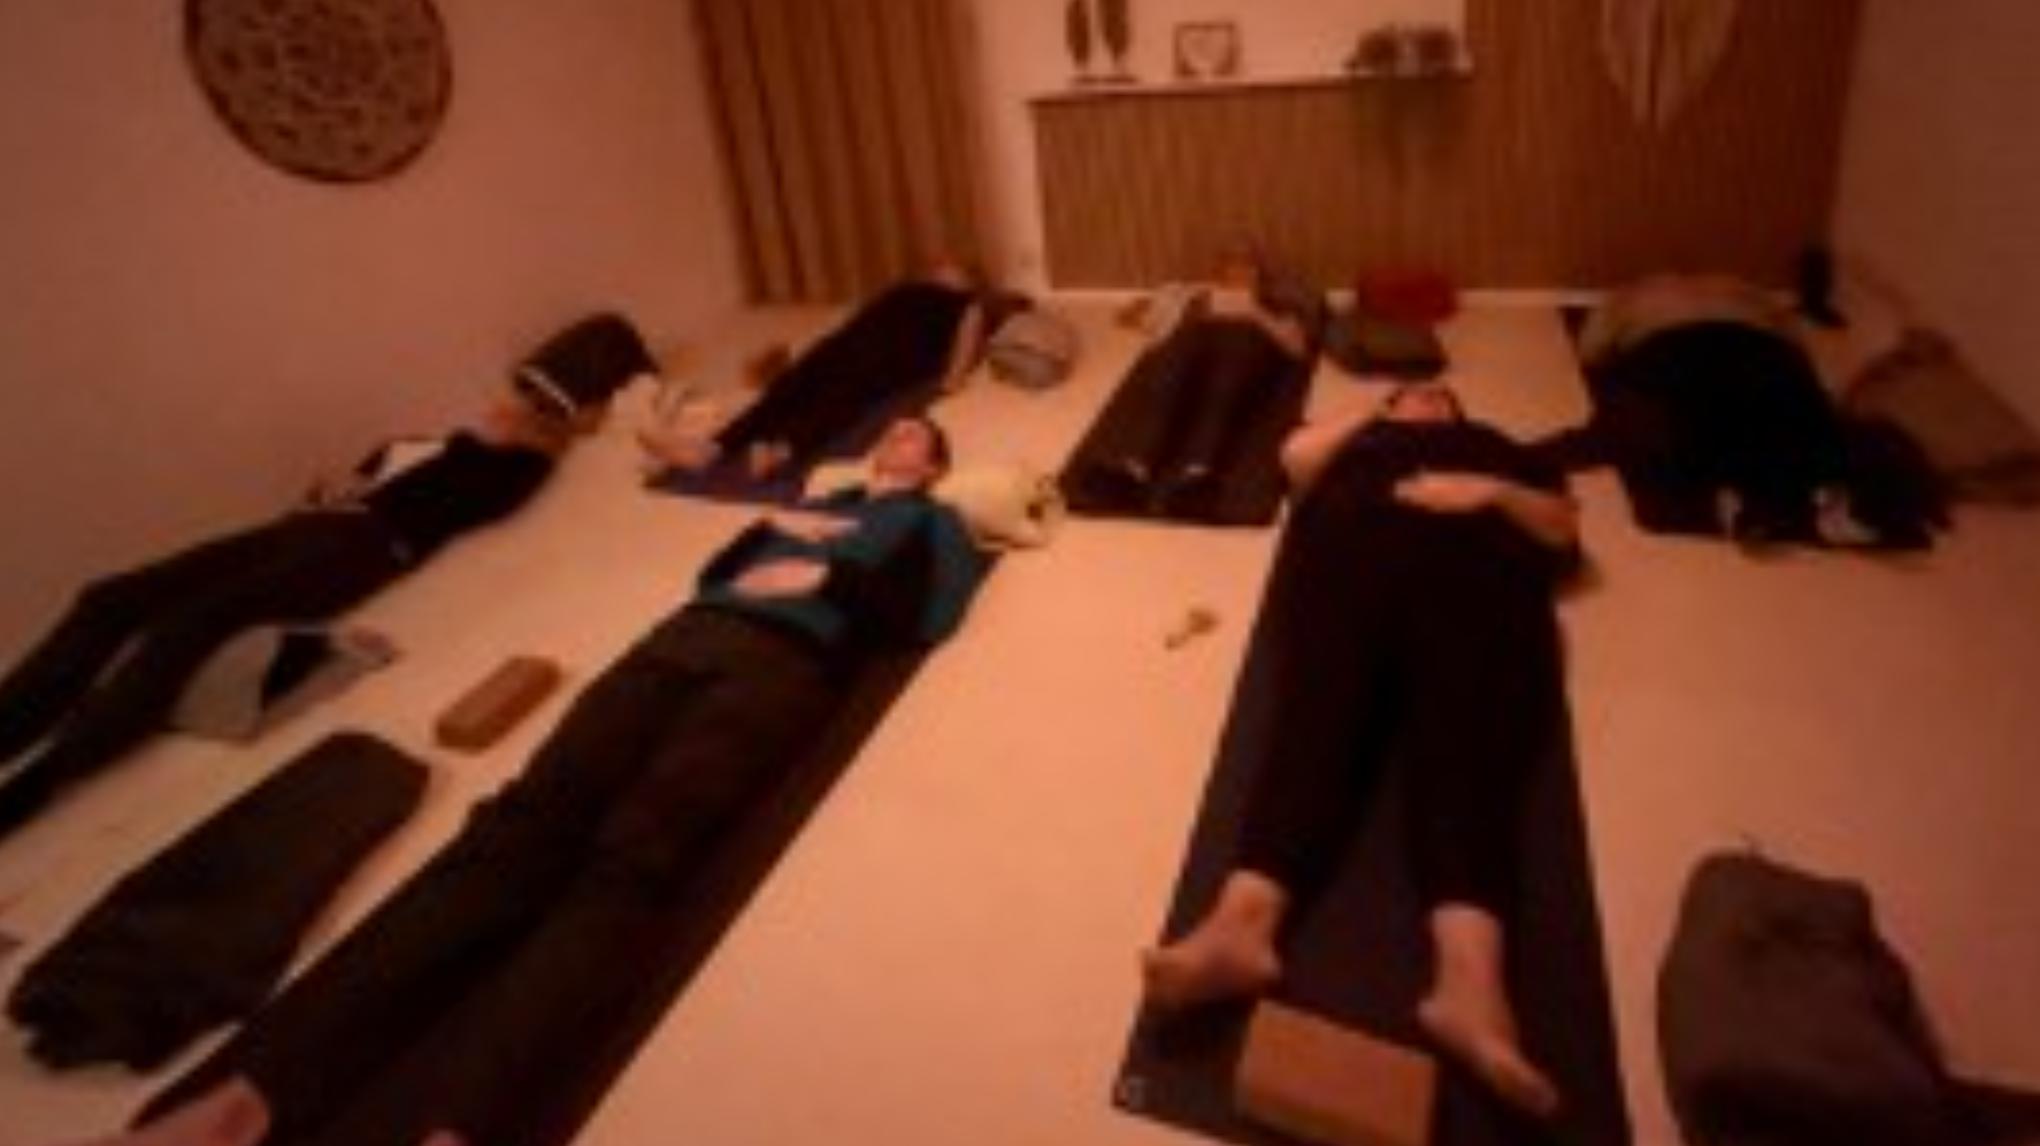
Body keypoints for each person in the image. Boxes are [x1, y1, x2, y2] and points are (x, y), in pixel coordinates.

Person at [97, 417, 982, 1146]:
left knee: (630, 863)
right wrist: (782, 536)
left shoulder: (934, 522)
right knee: (515, 829)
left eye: (915, 437)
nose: (896, 440)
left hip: (781, 666)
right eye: (893, 433)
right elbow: (713, 577)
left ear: (936, 465)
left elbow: (931, 616)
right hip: (680, 638)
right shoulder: (820, 501)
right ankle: (251, 1092)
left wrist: (832, 572)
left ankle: (459, 1121)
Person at [0, 330, 641, 844]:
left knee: (185, 629)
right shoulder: (439, 445)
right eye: (519, 391)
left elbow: (496, 486)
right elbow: (382, 473)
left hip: (362, 547)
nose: (511, 402)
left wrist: (522, 439)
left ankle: (34, 786)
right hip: (311, 526)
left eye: (534, 401)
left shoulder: (515, 464)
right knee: (108, 599)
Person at [1140, 382, 1579, 1120]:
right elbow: (1295, 460)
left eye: (1440, 396)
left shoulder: (1498, 448)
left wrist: (1491, 491)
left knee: (1467, 745)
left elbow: (1561, 527)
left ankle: (1470, 991)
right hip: (1354, 562)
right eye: (1410, 395)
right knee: (1315, 722)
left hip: (1477, 575)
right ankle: (1239, 929)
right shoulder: (1358, 444)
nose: (1426, 400)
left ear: (1463, 412)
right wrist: (1372, 412)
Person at [643, 257, 992, 480]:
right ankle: (711, 449)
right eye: (939, 266)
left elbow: (965, 344)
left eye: (952, 267)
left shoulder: (964, 304)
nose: (942, 268)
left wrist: (951, 381)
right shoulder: (903, 289)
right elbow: (857, 319)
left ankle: (782, 450)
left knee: (844, 395)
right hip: (848, 342)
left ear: (967, 280)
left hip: (896, 357)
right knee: (790, 385)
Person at [1098, 251, 1312, 516]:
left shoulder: (1274, 307)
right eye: (1230, 270)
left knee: (1220, 395)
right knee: (1168, 387)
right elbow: (1128, 317)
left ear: (1259, 279)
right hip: (1194, 355)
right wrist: (1187, 312)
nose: (1237, 275)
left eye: (1246, 270)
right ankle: (1134, 468)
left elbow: (1298, 348)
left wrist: (1254, 313)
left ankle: (1198, 472)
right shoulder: (1195, 299)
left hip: (1241, 356)